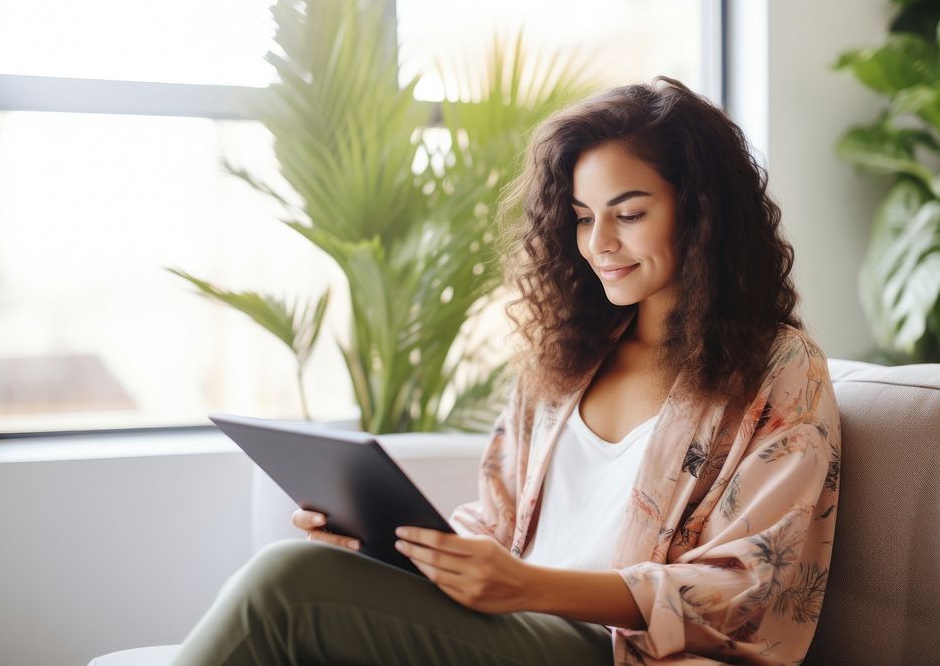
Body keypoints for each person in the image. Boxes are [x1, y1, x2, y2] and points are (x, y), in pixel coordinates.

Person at [172, 76, 841, 666]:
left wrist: (528, 586)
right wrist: (387, 546)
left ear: (701, 212)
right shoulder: (570, 360)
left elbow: (753, 585)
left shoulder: (777, 368)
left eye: (629, 213)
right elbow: (495, 527)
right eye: (582, 219)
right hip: (509, 626)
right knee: (315, 569)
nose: (599, 243)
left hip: (610, 648)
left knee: (287, 586)